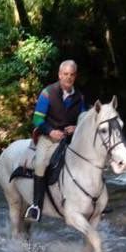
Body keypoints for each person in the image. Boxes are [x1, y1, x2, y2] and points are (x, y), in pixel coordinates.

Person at [25, 59, 86, 222]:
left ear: (75, 76)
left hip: (71, 139)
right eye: (65, 74)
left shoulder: (79, 97)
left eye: (72, 75)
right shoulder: (47, 93)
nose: (69, 78)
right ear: (59, 75)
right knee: (40, 163)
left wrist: (76, 126)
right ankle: (36, 206)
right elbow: (37, 120)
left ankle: (95, 201)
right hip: (48, 138)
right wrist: (51, 131)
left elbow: (84, 118)